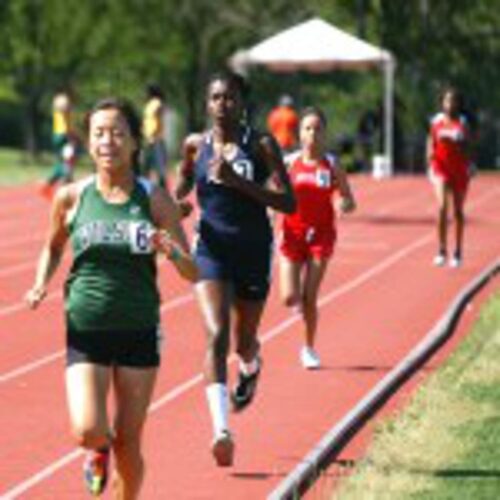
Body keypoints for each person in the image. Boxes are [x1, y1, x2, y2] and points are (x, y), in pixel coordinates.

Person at [25, 97, 197, 498]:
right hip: (87, 329)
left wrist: (169, 249)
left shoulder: (154, 200)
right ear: (88, 143)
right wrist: (40, 283)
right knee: (88, 430)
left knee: (129, 444)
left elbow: (193, 271)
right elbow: (52, 247)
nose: (108, 141)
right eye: (99, 133)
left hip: (138, 328)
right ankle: (96, 449)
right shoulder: (70, 197)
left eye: (118, 133)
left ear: (136, 143)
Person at [174, 71, 296, 467]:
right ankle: (221, 430)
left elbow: (288, 202)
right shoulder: (196, 145)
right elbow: (180, 186)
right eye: (215, 98)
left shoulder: (260, 145)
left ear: (242, 103)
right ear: (207, 103)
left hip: (253, 250)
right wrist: (177, 205)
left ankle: (251, 365)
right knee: (216, 335)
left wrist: (238, 183)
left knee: (244, 340)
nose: (222, 105)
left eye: (229, 98)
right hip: (210, 247)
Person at [279, 107, 356, 369]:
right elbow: (274, 194)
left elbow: (348, 199)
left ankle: (309, 348)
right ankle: (299, 302)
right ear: (300, 133)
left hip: (321, 237)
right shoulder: (289, 163)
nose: (312, 133)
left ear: (324, 133)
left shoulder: (332, 164)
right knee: (289, 297)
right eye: (307, 128)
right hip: (292, 234)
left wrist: (344, 204)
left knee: (310, 297)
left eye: (317, 128)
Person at [426, 87, 473, 268]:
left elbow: (469, 150)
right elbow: (431, 142)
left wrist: (460, 143)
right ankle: (441, 249)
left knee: (458, 212)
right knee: (441, 207)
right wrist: (429, 157)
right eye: (447, 100)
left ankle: (458, 251)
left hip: (459, 170)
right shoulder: (437, 122)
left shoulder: (463, 122)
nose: (450, 104)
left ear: (458, 104)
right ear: (442, 103)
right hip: (440, 168)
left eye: (453, 101)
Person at [39, 91, 80, 199]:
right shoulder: (64, 112)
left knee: (64, 163)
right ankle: (66, 188)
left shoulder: (66, 113)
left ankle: (51, 185)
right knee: (67, 164)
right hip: (62, 137)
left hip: (61, 137)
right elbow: (62, 107)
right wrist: (71, 138)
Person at [142, 84, 168, 188]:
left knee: (159, 167)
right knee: (145, 166)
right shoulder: (149, 104)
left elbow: (157, 119)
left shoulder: (157, 103)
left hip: (156, 139)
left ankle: (163, 189)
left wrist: (154, 132)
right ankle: (145, 188)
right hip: (149, 139)